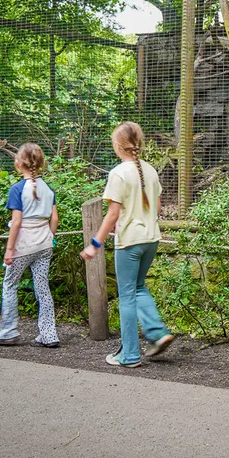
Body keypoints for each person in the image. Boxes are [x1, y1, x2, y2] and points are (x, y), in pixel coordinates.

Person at [81, 121, 175, 367]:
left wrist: (94, 243)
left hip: (130, 242)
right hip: (151, 239)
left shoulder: (118, 173)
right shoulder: (151, 170)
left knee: (126, 297)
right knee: (138, 287)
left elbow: (112, 214)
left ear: (117, 145)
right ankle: (158, 332)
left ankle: (130, 355)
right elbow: (158, 207)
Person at [0, 143, 60, 348]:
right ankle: (49, 334)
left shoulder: (17, 189)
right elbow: (54, 218)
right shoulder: (48, 188)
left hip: (24, 245)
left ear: (19, 163)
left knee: (10, 283)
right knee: (42, 288)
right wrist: (51, 237)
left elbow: (17, 222)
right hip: (44, 244)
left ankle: (8, 331)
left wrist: (10, 249)